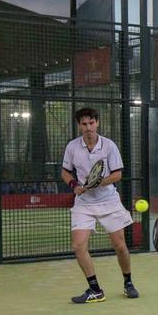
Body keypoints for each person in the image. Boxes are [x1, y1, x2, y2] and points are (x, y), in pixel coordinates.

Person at [61, 107, 138, 303]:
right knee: (78, 247)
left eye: (92, 123)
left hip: (109, 201)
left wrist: (98, 182)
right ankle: (95, 289)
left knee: (120, 246)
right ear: (79, 125)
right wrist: (74, 185)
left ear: (97, 123)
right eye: (84, 124)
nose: (88, 127)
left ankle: (128, 282)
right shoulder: (72, 147)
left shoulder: (109, 146)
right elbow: (65, 172)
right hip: (83, 204)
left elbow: (117, 174)